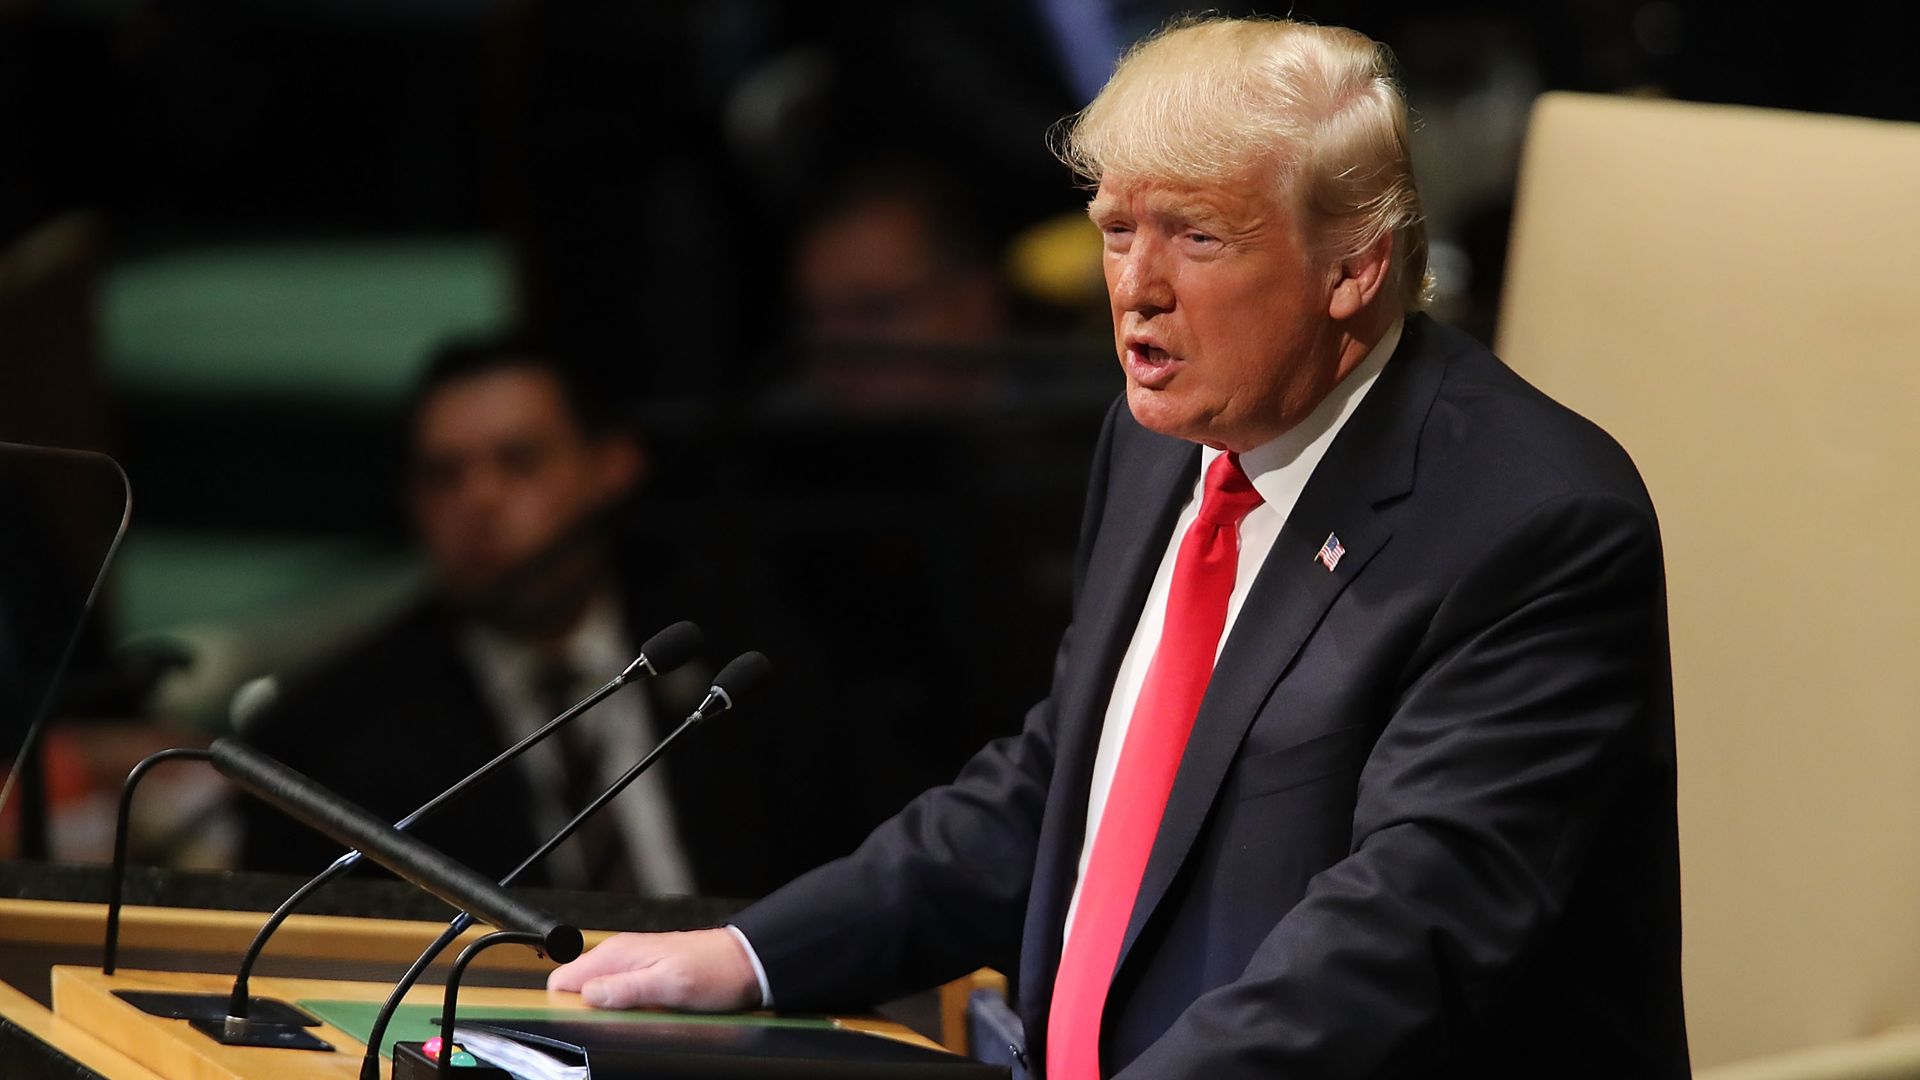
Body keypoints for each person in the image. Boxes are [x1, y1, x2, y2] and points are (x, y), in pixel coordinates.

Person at [548, 16, 1687, 1078]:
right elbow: (1071, 784)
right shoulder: (1156, 446)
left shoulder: (1530, 521)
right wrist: (753, 953)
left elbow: (1401, 934)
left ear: (1354, 266)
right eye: (1116, 232)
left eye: (1198, 236)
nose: (1137, 291)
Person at [236, 339, 773, 897]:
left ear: (612, 466)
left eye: (519, 462)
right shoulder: (333, 735)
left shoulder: (741, 662)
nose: (480, 499)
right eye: (444, 476)